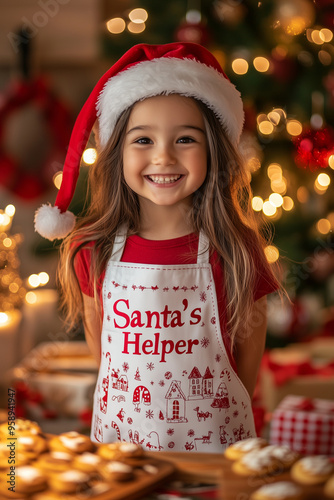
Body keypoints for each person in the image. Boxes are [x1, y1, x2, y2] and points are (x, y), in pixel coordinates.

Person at [35, 42, 279, 452]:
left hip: (213, 459)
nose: (163, 157)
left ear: (212, 150)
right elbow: (103, 350)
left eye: (185, 139)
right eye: (143, 140)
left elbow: (247, 360)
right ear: (118, 152)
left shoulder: (236, 249)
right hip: (124, 457)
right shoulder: (90, 249)